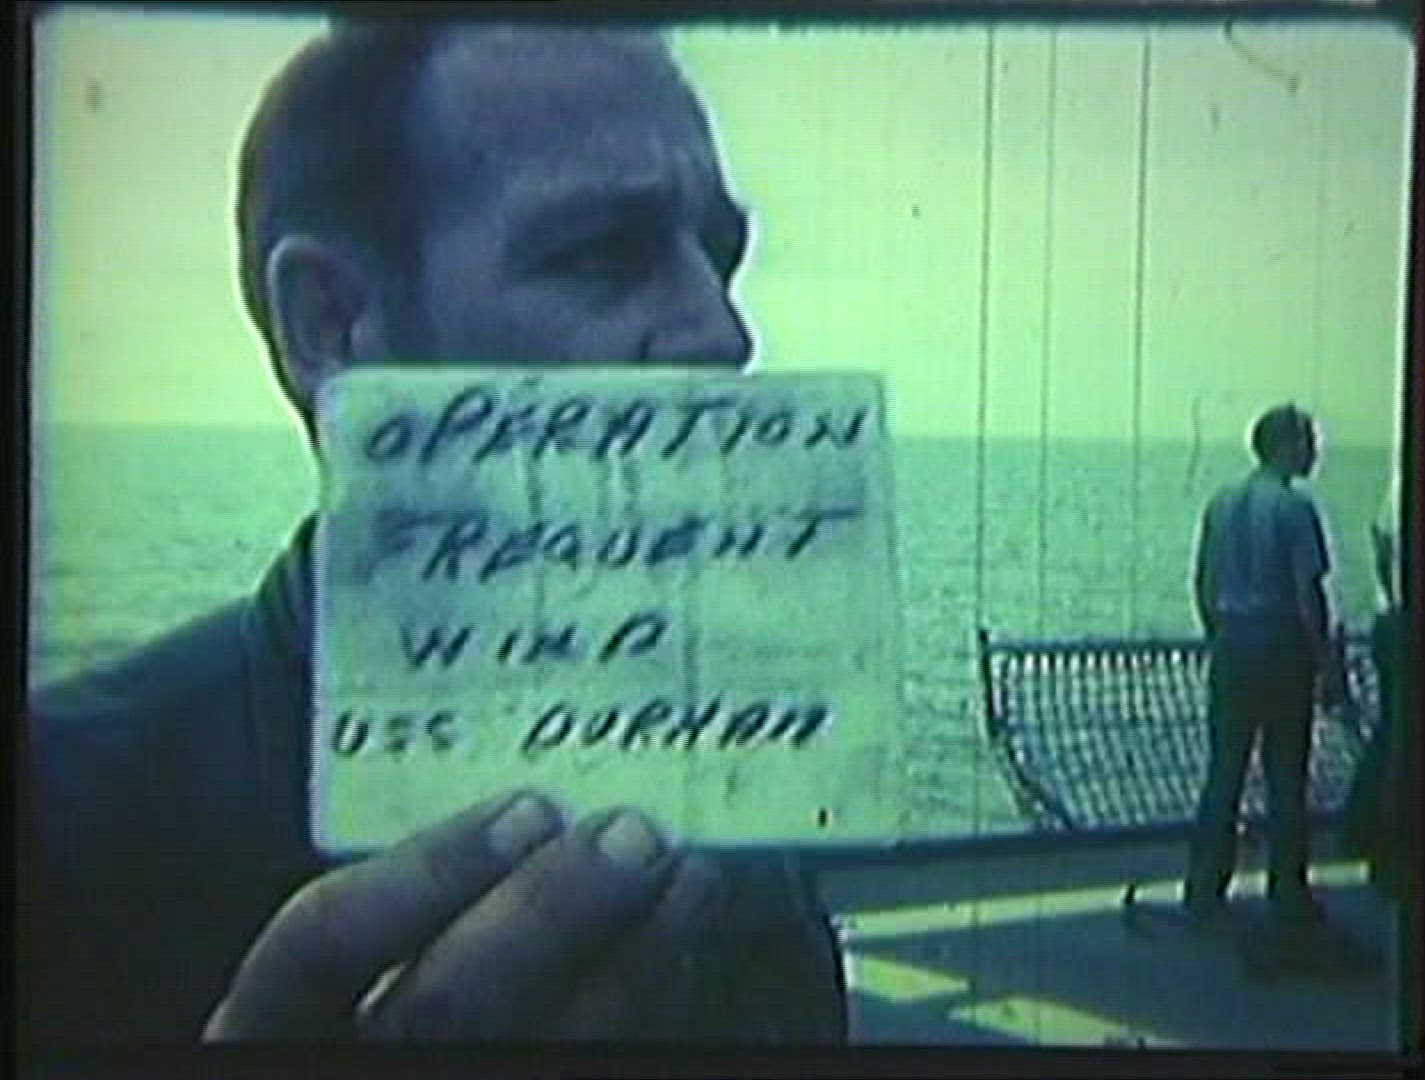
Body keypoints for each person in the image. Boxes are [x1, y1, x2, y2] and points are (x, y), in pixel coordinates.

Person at [24, 21, 848, 1043]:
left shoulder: (741, 801)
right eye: (599, 252)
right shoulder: (59, 824)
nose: (722, 333)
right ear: (332, 326)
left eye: (719, 258)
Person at [1182, 403, 1348, 929]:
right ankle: (1288, 892)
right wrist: (1327, 664)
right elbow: (1308, 594)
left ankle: (1204, 888)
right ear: (1286, 446)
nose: (1315, 451)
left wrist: (1219, 634)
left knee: (1223, 773)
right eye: (1308, 441)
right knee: (1286, 776)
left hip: (1232, 646)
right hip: (1281, 649)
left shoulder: (1220, 503)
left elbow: (1203, 583)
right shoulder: (1296, 510)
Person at [1340, 474, 1408, 898]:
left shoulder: (1397, 486)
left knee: (1391, 735)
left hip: (1392, 621)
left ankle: (1368, 836)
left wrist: (1390, 594)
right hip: (1405, 623)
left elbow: (1380, 538)